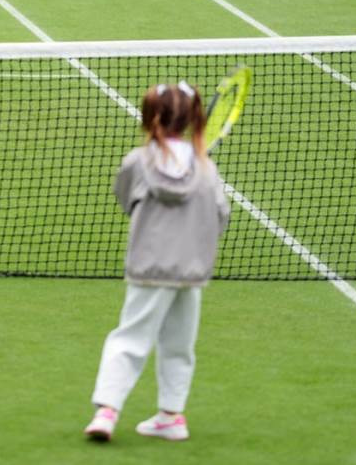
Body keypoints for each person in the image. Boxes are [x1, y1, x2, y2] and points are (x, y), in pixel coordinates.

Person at [83, 81, 231, 443]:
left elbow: (125, 197)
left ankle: (107, 410)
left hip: (149, 268)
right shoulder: (206, 170)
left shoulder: (139, 161)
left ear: (151, 118)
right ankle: (171, 415)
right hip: (191, 271)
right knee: (179, 344)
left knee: (129, 339)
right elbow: (221, 217)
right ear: (194, 119)